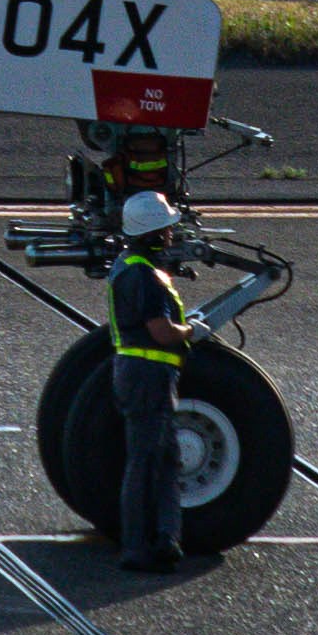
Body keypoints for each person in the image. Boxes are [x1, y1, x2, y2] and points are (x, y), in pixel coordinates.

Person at [106, 182, 196, 573]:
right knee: (146, 461)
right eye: (166, 227)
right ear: (153, 234)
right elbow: (161, 331)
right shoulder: (146, 277)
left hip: (137, 371)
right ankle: (138, 547)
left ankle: (165, 539)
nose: (172, 233)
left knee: (163, 457)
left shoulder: (127, 267)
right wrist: (191, 332)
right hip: (149, 374)